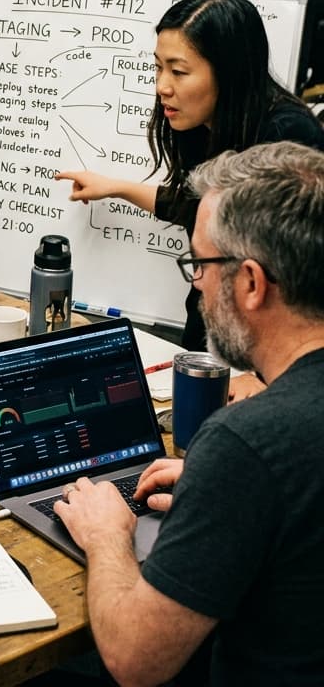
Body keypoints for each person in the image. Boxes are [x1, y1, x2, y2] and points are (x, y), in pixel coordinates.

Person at [53, 141, 324, 686]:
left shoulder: (247, 441)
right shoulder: (259, 452)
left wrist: (107, 534)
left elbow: (135, 661)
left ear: (251, 283)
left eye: (199, 263)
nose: (196, 281)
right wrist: (220, 491)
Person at [55, 0, 324, 365]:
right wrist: (115, 188)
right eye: (158, 67)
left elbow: (300, 287)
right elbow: (198, 209)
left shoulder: (285, 139)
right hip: (212, 330)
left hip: (266, 353)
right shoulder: (202, 126)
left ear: (228, 73)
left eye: (178, 71)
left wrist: (259, 373)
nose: (162, 85)